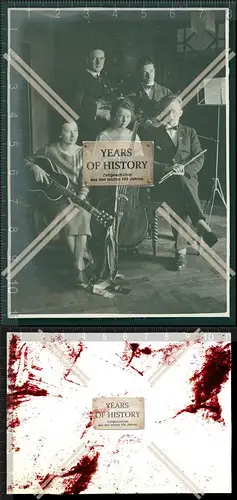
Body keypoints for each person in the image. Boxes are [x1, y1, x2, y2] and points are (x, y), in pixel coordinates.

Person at [140, 94, 218, 271]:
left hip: (187, 182)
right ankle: (199, 224)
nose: (170, 116)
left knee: (181, 190)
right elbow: (147, 160)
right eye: (167, 112)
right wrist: (167, 168)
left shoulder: (190, 132)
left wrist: (185, 170)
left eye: (173, 112)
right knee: (179, 187)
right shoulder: (152, 133)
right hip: (163, 183)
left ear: (180, 113)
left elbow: (199, 159)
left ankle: (181, 251)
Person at [24, 120, 91, 286]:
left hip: (77, 196)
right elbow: (26, 160)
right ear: (60, 133)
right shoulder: (50, 150)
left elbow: (87, 181)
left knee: (82, 213)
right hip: (55, 198)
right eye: (68, 131)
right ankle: (81, 261)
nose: (73, 135)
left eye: (75, 130)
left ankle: (77, 265)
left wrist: (81, 197)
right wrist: (35, 168)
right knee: (66, 215)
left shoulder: (84, 153)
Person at [89, 98, 142, 282]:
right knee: (107, 218)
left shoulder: (133, 136)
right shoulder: (103, 135)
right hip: (107, 184)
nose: (124, 120)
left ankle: (115, 257)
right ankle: (104, 260)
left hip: (126, 186)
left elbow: (140, 162)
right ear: (113, 116)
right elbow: (95, 163)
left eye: (128, 116)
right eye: (120, 115)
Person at [70, 47, 113, 141]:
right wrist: (98, 112)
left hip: (107, 134)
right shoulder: (80, 80)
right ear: (87, 60)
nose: (98, 62)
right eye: (95, 59)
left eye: (101, 58)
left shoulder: (106, 80)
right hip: (89, 134)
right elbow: (73, 107)